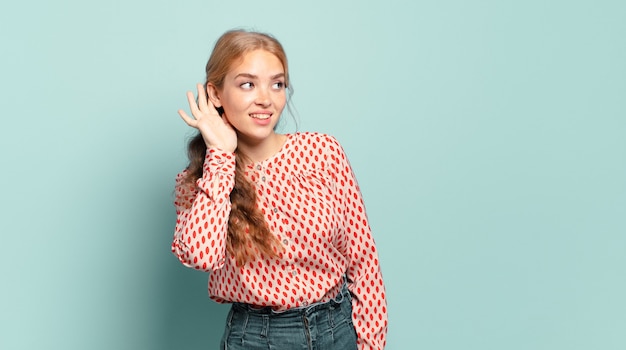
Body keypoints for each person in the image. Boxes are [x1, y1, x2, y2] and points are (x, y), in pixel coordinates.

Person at [171, 29, 388, 350]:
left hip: (338, 329)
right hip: (258, 338)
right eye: (247, 84)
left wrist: (370, 343)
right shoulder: (200, 179)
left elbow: (363, 258)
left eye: (277, 84)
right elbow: (201, 256)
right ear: (215, 95)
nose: (266, 98)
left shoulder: (323, 152)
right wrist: (220, 155)